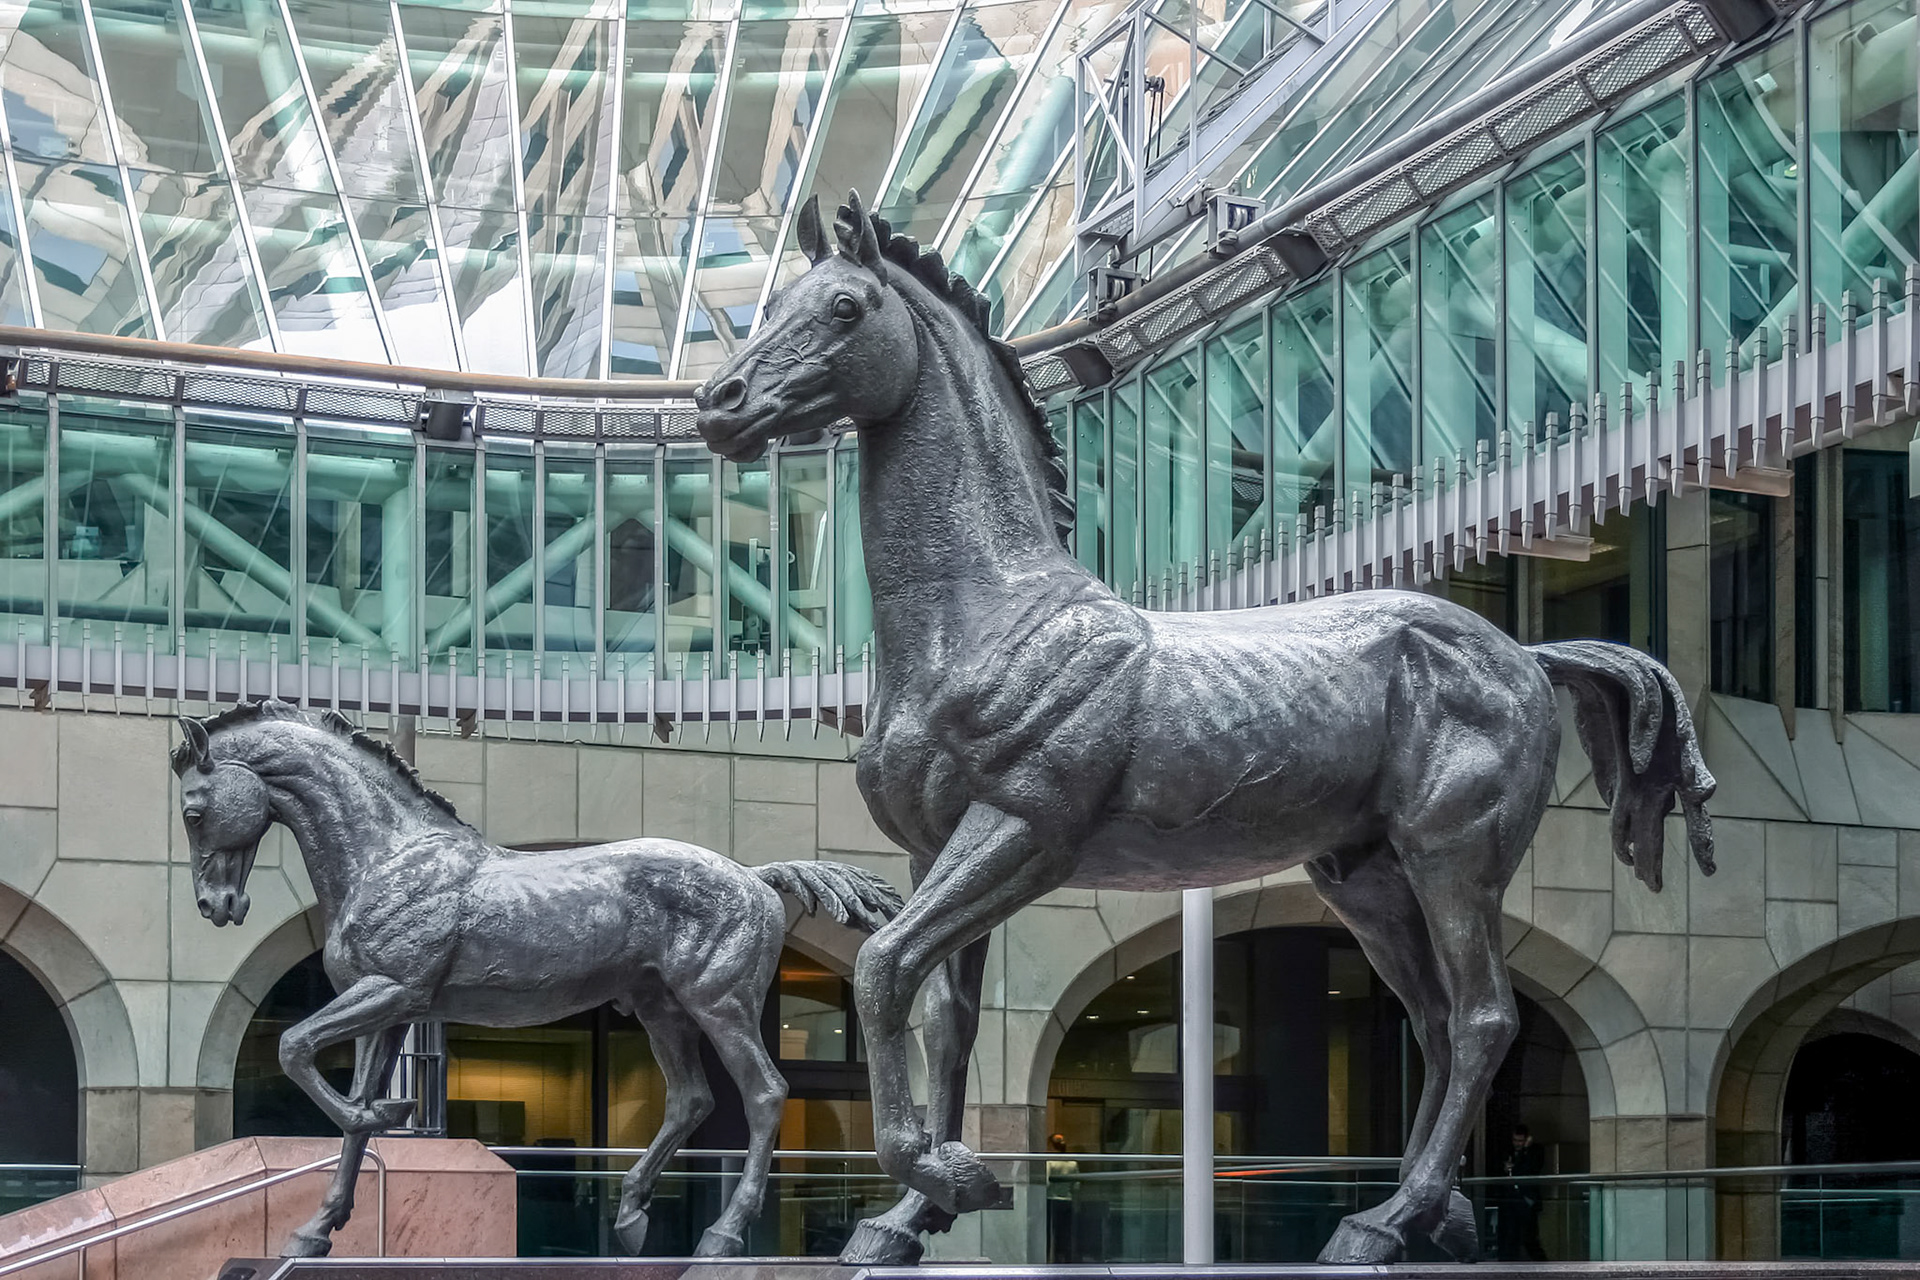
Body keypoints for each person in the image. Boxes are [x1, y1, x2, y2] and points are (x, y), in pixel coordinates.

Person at [1496, 1123, 1547, 1261]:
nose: (1517, 1144)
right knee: (1509, 1236)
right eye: (1515, 1141)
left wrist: (1524, 1151)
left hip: (1527, 1200)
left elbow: (1531, 1169)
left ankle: (1542, 1266)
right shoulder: (1508, 1151)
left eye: (1520, 1141)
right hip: (1510, 1201)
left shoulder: (1535, 1151)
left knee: (1529, 1237)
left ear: (1527, 1140)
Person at [1046, 1132, 1080, 1262]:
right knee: (1064, 1234)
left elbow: (1046, 1183)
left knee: (1049, 1233)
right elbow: (1076, 1185)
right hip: (1067, 1201)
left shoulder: (1050, 1162)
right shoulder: (1072, 1163)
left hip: (1051, 1200)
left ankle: (1049, 1258)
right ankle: (1063, 1259)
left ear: (1051, 1146)